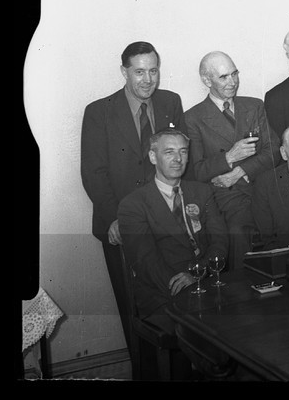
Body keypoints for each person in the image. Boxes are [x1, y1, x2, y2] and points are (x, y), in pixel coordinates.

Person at [81, 41, 184, 349]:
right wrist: (115, 218)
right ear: (124, 72)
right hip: (119, 225)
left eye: (153, 70)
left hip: (166, 220)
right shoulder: (99, 111)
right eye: (139, 72)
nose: (147, 79)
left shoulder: (171, 102)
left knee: (174, 298)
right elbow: (94, 173)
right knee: (135, 310)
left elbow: (179, 160)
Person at [117, 128, 228, 335]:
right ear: (152, 156)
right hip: (163, 293)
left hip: (204, 282)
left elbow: (219, 242)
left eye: (183, 152)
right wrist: (185, 289)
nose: (178, 159)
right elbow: (146, 262)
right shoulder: (133, 204)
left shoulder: (202, 192)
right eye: (169, 152)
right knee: (204, 333)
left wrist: (198, 274)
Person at [183, 51, 281, 268]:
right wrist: (229, 157)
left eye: (234, 74)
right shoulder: (193, 118)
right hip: (227, 198)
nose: (233, 82)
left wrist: (239, 171)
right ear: (206, 80)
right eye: (224, 77)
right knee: (240, 234)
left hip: (264, 187)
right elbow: (196, 171)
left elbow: (274, 150)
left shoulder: (254, 106)